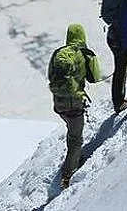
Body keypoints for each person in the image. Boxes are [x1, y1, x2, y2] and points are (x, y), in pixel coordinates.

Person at [47, 23, 103, 189]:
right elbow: (95, 78)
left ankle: (76, 159)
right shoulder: (82, 55)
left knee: (72, 131)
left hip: (59, 103)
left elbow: (51, 76)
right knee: (75, 139)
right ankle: (68, 176)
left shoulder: (57, 53)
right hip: (74, 104)